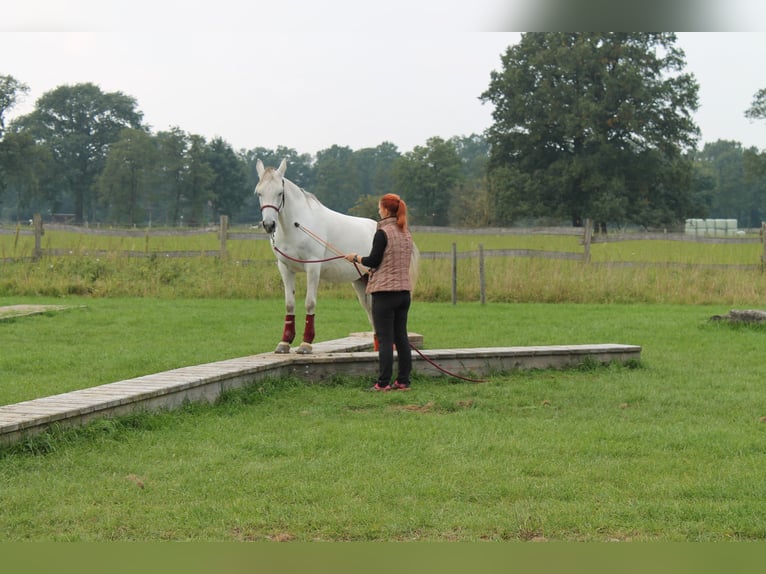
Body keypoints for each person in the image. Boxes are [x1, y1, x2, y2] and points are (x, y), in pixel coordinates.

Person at [345, 193, 414, 392]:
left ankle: (382, 383)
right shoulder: (406, 232)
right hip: (403, 293)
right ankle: (403, 381)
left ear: (385, 209)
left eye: (379, 207)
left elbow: (373, 260)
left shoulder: (382, 233)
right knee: (401, 338)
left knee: (385, 340)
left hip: (384, 294)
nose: (378, 210)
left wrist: (355, 258)